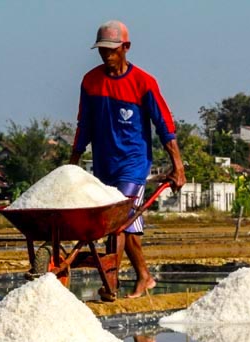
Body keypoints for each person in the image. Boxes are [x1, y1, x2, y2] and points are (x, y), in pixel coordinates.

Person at [70, 20, 186, 298]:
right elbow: (83, 125)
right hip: (104, 166)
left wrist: (178, 166)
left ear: (126, 48)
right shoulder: (90, 81)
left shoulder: (143, 83)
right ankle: (144, 276)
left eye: (112, 50)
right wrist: (71, 165)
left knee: (117, 223)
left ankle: (111, 284)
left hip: (133, 165)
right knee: (128, 227)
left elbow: (165, 126)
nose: (106, 56)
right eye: (102, 51)